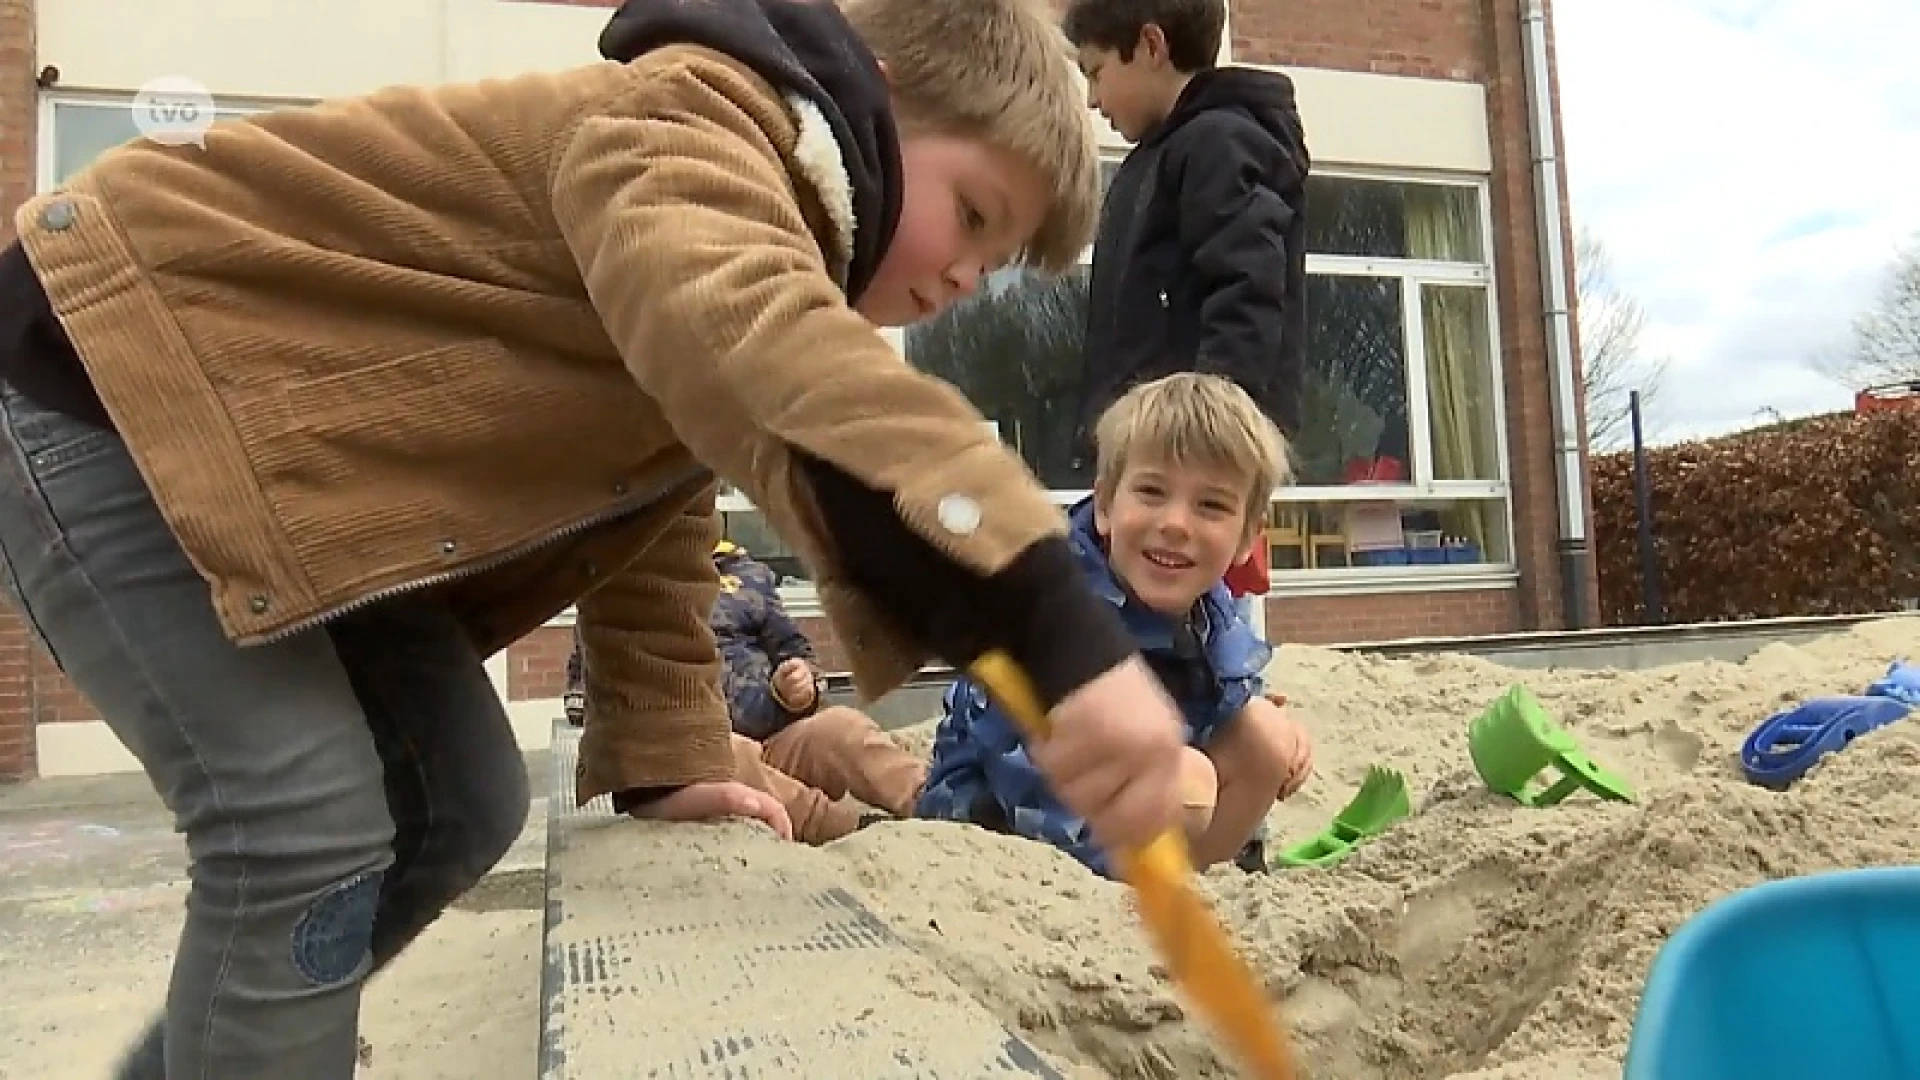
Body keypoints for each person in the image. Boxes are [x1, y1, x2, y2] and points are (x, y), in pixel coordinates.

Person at [0, 0, 1200, 1075]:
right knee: (304, 826)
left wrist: (667, 748)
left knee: (462, 795)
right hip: (120, 379)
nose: (967, 280)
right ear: (878, 95)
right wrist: (1053, 627)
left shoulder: (759, 238)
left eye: (997, 263)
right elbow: (756, 348)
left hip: (275, 476)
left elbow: (662, 501)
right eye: (973, 216)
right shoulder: (698, 124)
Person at [918, 373, 1315, 876]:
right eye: (1151, 492)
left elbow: (1224, 701)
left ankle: (1206, 881)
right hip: (1003, 817)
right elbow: (1024, 778)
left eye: (1211, 505)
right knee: (1188, 779)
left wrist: (1269, 736)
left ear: (1246, 538)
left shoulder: (1212, 612)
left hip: (1136, 799)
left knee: (1265, 735)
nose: (1175, 524)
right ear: (1105, 505)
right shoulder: (1053, 610)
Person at [567, 540, 926, 844]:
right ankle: (841, 828)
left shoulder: (747, 575)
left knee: (842, 727)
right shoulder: (624, 581)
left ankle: (929, 799)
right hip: (695, 752)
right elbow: (588, 674)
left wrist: (800, 685)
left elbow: (794, 650)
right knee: (724, 752)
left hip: (775, 736)